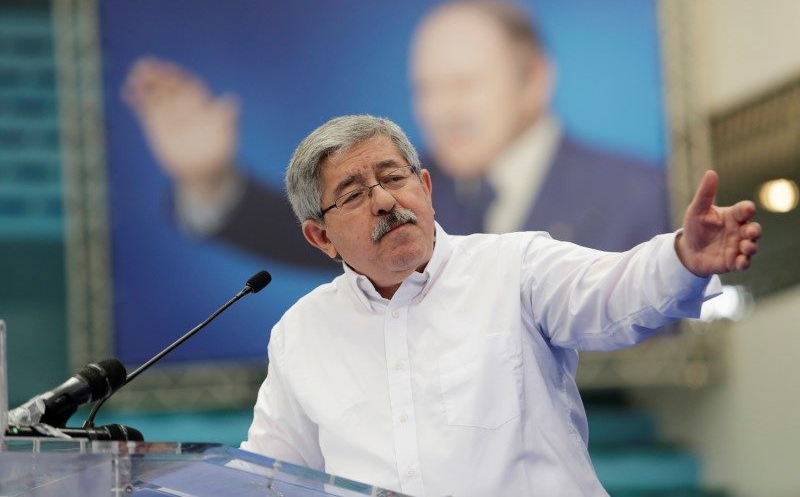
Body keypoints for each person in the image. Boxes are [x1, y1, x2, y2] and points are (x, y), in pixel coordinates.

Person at [239, 115, 761, 496]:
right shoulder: (301, 333)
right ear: (320, 237)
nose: (384, 200)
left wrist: (682, 258)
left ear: (425, 186)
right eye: (353, 194)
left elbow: (613, 293)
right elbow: (266, 475)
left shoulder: (515, 266)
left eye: (394, 177)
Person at [121, 0, 667, 270]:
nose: (443, 110)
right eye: (427, 89)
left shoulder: (643, 194)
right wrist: (210, 180)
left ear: (535, 81)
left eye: (464, 84)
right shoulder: (415, 188)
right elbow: (306, 229)